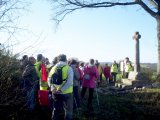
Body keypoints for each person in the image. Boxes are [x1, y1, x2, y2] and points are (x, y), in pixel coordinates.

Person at [48, 54, 73, 120]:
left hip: (55, 93)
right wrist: (61, 90)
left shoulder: (53, 68)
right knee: (68, 111)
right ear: (65, 59)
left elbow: (49, 79)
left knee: (56, 109)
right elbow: (69, 82)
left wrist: (52, 88)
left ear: (58, 60)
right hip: (67, 93)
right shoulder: (68, 68)